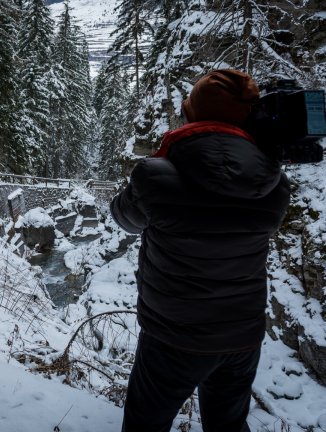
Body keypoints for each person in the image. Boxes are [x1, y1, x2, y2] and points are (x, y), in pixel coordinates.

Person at [110, 69, 291, 432]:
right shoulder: (274, 184)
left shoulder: (155, 175)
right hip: (242, 335)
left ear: (192, 113)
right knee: (228, 425)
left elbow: (124, 218)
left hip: (174, 336)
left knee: (145, 424)